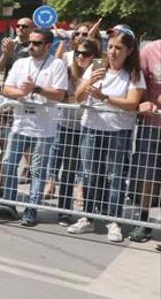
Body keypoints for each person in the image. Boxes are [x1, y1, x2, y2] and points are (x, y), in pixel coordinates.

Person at [69, 25, 146, 242]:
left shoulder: (133, 74)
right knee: (90, 175)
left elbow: (132, 103)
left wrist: (104, 98)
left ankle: (114, 221)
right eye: (110, 47)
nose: (113, 52)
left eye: (119, 48)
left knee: (115, 177)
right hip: (91, 128)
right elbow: (79, 97)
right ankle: (88, 217)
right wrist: (89, 82)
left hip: (118, 131)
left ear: (129, 51)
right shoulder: (95, 67)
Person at [0, 29, 68, 226]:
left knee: (37, 171)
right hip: (20, 124)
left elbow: (60, 94)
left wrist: (37, 89)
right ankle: (8, 205)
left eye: (36, 43)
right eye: (30, 42)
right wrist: (22, 91)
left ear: (47, 46)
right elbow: (6, 88)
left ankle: (31, 209)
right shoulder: (20, 62)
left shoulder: (57, 65)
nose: (31, 46)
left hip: (43, 128)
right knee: (9, 164)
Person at [45, 37, 101, 227]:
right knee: (68, 170)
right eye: (78, 53)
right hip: (67, 126)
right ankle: (64, 212)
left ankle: (89, 212)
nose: (80, 57)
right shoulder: (67, 70)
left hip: (89, 127)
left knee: (88, 172)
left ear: (95, 56)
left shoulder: (98, 72)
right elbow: (64, 96)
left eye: (86, 54)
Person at [129, 38, 160, 243]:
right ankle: (143, 222)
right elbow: (136, 82)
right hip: (151, 125)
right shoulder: (150, 50)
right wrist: (143, 101)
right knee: (146, 174)